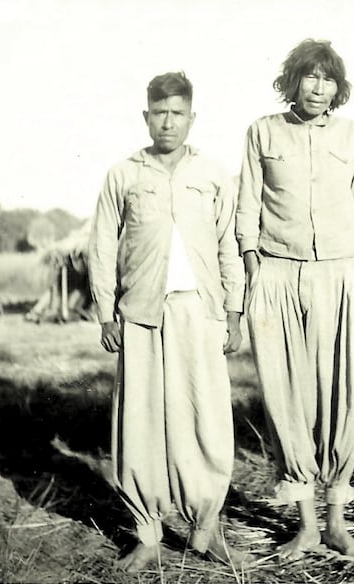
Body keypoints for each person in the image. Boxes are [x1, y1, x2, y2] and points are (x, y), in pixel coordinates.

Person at [88, 71, 247, 572]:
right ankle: (148, 532)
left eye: (178, 114)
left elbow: (229, 246)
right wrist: (105, 310)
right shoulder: (124, 175)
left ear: (192, 118)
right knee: (138, 423)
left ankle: (206, 527)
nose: (169, 123)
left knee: (207, 422)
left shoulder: (215, 174)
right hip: (138, 313)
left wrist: (234, 313)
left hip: (199, 311)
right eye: (160, 113)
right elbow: (101, 247)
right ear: (146, 116)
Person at [236, 39, 354, 561]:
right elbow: (246, 207)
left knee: (345, 396)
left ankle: (338, 522)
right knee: (287, 399)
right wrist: (256, 269)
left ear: (338, 88)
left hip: (342, 275)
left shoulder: (351, 134)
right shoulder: (262, 132)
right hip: (278, 274)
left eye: (328, 80)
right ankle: (307, 526)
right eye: (309, 77)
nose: (319, 88)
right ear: (292, 81)